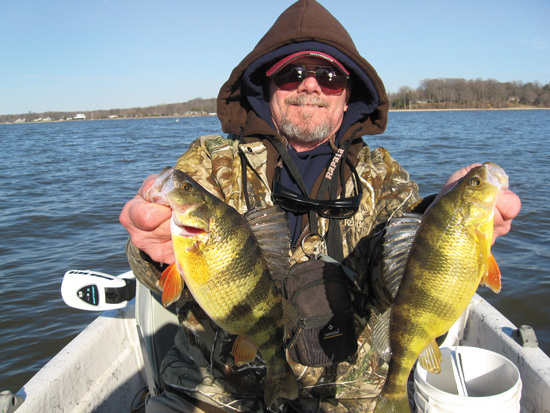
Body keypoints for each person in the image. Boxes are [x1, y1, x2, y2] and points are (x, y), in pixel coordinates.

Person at [120, 1, 521, 412]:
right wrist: (148, 247)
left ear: (348, 97)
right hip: (217, 391)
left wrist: (443, 214)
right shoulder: (209, 165)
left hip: (348, 397)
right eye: (293, 73)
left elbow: (399, 274)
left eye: (329, 77)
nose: (310, 86)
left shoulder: (381, 176)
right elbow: (168, 271)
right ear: (267, 86)